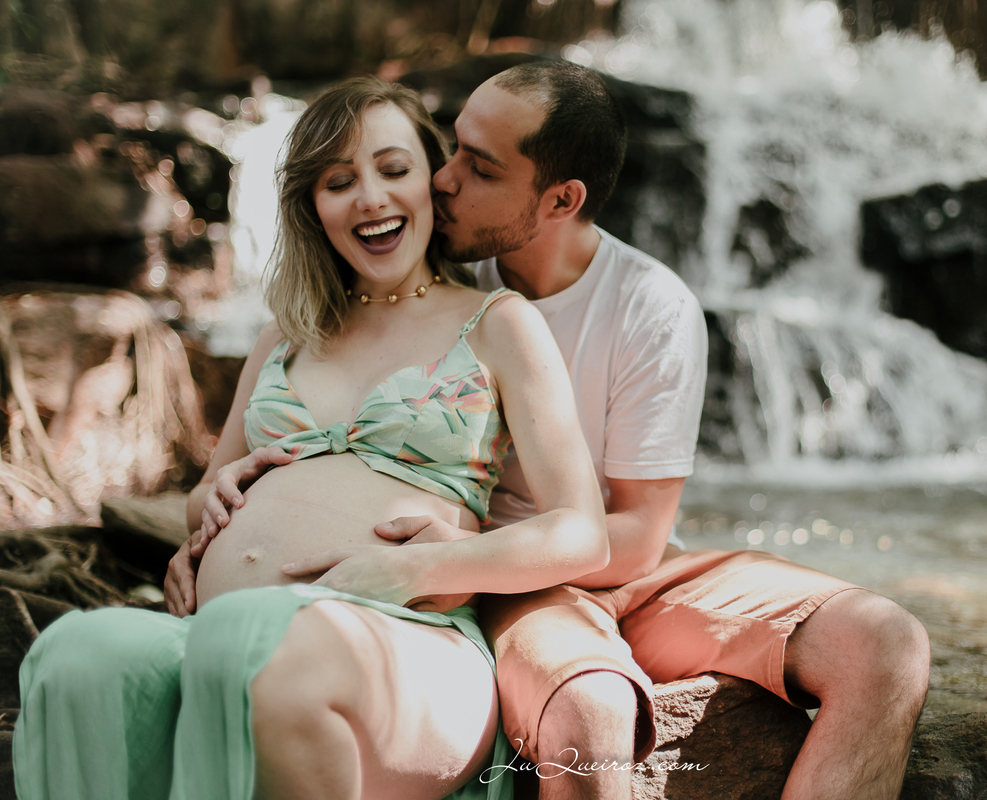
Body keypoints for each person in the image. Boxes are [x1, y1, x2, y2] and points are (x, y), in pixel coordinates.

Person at [168, 61, 932, 800]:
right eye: (453, 146)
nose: (443, 178)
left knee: (886, 646)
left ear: (560, 199)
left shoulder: (649, 307)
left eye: (480, 167)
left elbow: (632, 534)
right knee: (589, 714)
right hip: (481, 579)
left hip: (564, 562)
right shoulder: (409, 263)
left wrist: (456, 562)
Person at [15, 76, 609, 800]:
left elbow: (583, 534)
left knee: (256, 647)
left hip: (401, 643)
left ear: (433, 181)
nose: (369, 198)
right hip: (218, 630)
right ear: (312, 207)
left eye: (393, 170)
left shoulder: (497, 322)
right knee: (78, 652)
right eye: (338, 181)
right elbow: (213, 480)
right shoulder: (284, 336)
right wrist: (205, 513)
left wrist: (418, 570)